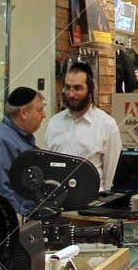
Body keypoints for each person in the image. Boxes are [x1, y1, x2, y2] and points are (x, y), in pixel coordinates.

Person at [44, 60, 123, 190]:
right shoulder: (54, 122)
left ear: (91, 89)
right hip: (58, 200)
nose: (71, 94)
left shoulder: (107, 124)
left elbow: (111, 173)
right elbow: (48, 164)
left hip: (91, 202)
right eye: (67, 87)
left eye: (77, 88)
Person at [0, 86, 45, 216]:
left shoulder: (23, 138)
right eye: (40, 110)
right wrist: (23, 219)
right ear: (23, 113)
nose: (44, 115)